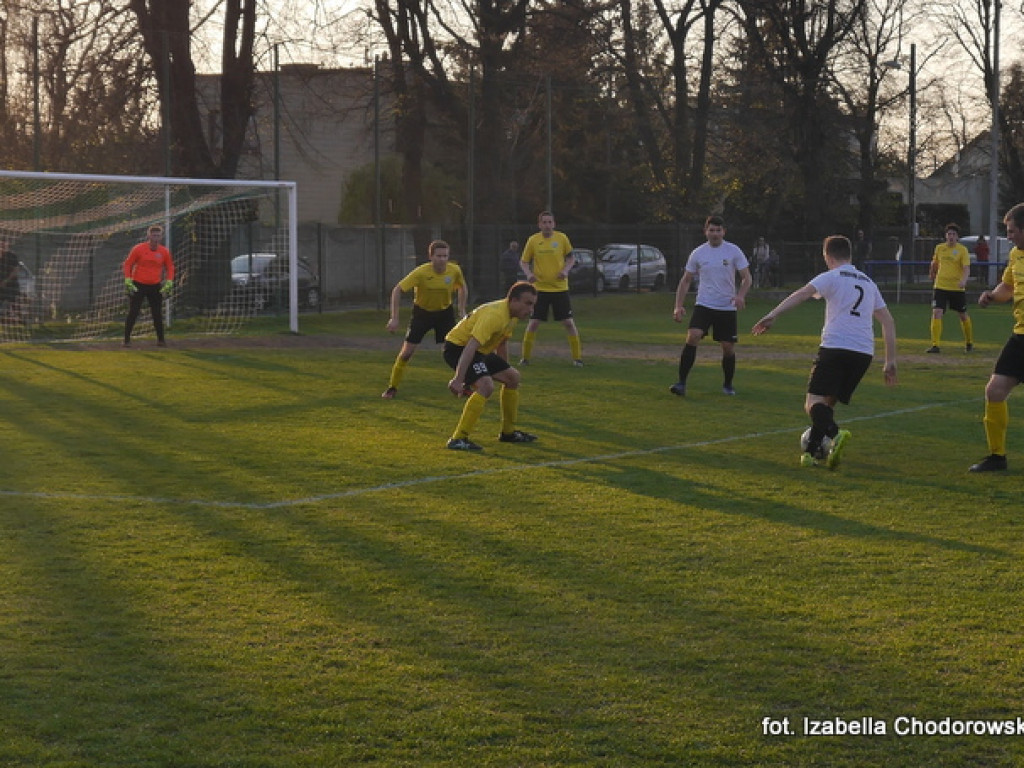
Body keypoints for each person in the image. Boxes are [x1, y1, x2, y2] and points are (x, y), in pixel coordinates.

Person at [752, 234, 898, 469]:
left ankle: (836, 434)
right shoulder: (869, 282)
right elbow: (888, 322)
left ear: (827, 257)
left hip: (835, 346)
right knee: (827, 404)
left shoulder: (831, 276)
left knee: (812, 403)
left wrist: (773, 314)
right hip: (863, 353)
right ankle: (810, 453)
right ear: (849, 255)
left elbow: (801, 294)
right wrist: (890, 361)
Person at [443, 282, 539, 451]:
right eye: (528, 303)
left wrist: (505, 369)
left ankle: (508, 433)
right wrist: (458, 379)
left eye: (533, 304)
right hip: (458, 348)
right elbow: (470, 346)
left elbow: (501, 344)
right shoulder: (495, 315)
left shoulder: (511, 316)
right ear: (514, 300)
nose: (531, 309)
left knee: (513, 377)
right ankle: (458, 438)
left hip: (479, 351)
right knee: (486, 386)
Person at [968, 203, 1024, 472]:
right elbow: (1008, 286)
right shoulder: (1015, 255)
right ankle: (997, 456)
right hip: (1020, 336)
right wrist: (992, 295)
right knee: (995, 390)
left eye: (1012, 231)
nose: (1009, 236)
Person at [670, 215, 752, 396]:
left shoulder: (733, 251)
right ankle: (681, 383)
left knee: (727, 347)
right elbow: (685, 281)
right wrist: (678, 305)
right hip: (704, 304)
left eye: (718, 230)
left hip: (726, 307)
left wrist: (740, 296)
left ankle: (728, 385)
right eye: (711, 230)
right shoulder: (698, 253)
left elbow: (747, 277)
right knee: (693, 335)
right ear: (705, 232)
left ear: (724, 232)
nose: (715, 234)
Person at [382, 239, 467, 399]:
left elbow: (462, 287)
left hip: (444, 314)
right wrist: (394, 318)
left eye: (445, 256)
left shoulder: (454, 270)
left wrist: (462, 310)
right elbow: (397, 290)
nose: (442, 259)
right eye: (439, 256)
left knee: (457, 350)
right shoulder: (421, 273)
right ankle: (392, 387)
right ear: (431, 257)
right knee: (406, 353)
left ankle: (467, 385)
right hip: (422, 314)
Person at [519, 211, 583, 366]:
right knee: (534, 323)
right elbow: (524, 261)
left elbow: (571, 258)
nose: (547, 225)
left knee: (568, 323)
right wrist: (528, 274)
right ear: (539, 224)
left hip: (560, 289)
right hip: (539, 290)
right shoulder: (533, 240)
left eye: (550, 222)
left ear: (554, 224)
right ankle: (525, 358)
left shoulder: (562, 238)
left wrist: (565, 270)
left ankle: (577, 358)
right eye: (544, 222)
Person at [123, 224, 174, 347]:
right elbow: (128, 264)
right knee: (134, 312)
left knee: (157, 313)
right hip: (138, 285)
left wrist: (169, 281)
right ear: (148, 235)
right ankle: (126, 340)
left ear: (161, 236)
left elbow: (170, 267)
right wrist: (128, 279)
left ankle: (161, 340)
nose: (156, 237)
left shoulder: (164, 251)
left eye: (158, 235)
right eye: (153, 235)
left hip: (155, 285)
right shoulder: (138, 248)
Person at [926, 222, 973, 353]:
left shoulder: (962, 250)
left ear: (957, 237)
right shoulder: (940, 248)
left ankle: (969, 342)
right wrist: (932, 271)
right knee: (937, 313)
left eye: (953, 234)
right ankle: (935, 345)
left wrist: (964, 280)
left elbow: (966, 268)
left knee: (963, 315)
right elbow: (935, 262)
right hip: (941, 286)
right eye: (949, 234)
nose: (951, 236)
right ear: (946, 236)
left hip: (957, 288)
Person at [0, 240, 20, 318]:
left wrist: (6, 280)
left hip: (11, 283)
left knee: (14, 301)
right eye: (1, 243)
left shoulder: (12, 256)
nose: (2, 245)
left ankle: (18, 317)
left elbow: (16, 270)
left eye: (4, 243)